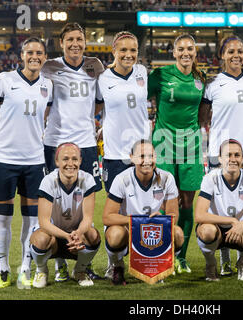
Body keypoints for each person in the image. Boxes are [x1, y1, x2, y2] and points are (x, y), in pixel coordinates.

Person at [0, 23, 104, 281]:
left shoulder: (95, 68)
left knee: (84, 205)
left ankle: (82, 263)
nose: (75, 43)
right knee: (55, 204)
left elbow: (98, 105)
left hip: (86, 144)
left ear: (85, 41)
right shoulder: (48, 69)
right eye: (69, 39)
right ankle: (56, 262)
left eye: (79, 39)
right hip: (51, 145)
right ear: (60, 44)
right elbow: (14, 109)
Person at [0, 38, 53, 289]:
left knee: (32, 220)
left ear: (44, 56)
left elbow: (45, 118)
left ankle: (25, 267)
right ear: (22, 55)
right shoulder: (4, 80)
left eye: (39, 53)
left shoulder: (48, 85)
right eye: (30, 52)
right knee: (3, 218)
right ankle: (4, 268)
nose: (35, 56)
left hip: (34, 160)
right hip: (5, 159)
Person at [200, 35, 243, 276]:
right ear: (222, 55)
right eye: (231, 51)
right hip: (218, 153)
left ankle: (242, 259)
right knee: (217, 207)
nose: (237, 55)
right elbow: (203, 117)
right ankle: (222, 258)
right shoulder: (213, 84)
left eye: (241, 51)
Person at [148, 33, 206, 274]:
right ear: (173, 53)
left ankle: (181, 257)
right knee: (163, 201)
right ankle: (162, 254)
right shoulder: (160, 75)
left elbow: (204, 114)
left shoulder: (201, 79)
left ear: (195, 52)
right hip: (163, 142)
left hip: (190, 143)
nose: (185, 52)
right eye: (181, 49)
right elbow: (139, 97)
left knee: (187, 203)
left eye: (190, 48)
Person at [97, 31, 151, 279]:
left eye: (133, 50)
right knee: (116, 214)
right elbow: (96, 108)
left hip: (142, 155)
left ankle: (145, 258)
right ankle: (114, 264)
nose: (128, 55)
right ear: (113, 52)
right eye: (123, 50)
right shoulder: (102, 79)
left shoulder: (142, 73)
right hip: (115, 156)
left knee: (144, 209)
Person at [102, 139, 184, 285]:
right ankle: (117, 265)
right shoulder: (122, 179)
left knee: (177, 233)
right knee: (115, 235)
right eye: (141, 156)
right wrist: (135, 221)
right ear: (131, 158)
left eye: (150, 156)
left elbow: (173, 215)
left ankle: (160, 266)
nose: (146, 161)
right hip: (127, 229)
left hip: (153, 229)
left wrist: (163, 219)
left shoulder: (166, 178)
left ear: (156, 157)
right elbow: (107, 217)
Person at [194, 139, 243, 281]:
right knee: (206, 231)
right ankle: (210, 264)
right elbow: (199, 215)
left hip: (241, 231)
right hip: (216, 230)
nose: (233, 159)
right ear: (220, 159)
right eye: (228, 155)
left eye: (237, 155)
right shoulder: (210, 178)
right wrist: (232, 220)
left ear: (242, 158)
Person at [30, 142, 101, 288]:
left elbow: (88, 219)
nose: (70, 163)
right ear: (57, 162)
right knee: (40, 238)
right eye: (65, 159)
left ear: (80, 161)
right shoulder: (48, 181)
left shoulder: (87, 180)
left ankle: (79, 271)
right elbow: (44, 222)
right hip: (54, 237)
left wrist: (77, 233)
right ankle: (41, 270)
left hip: (77, 237)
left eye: (75, 159)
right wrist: (66, 236)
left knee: (93, 235)